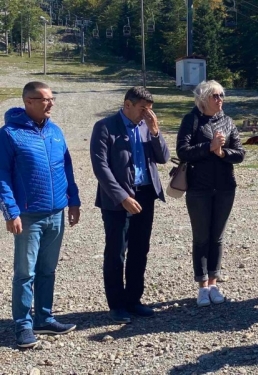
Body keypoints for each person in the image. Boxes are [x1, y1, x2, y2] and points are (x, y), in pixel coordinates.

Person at [0, 81, 81, 348]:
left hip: (56, 211)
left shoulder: (55, 131)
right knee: (25, 273)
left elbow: (66, 167)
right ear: (28, 102)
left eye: (52, 99)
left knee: (47, 269)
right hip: (28, 215)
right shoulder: (9, 134)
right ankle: (22, 325)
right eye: (45, 99)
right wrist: (11, 212)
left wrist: (74, 200)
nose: (51, 103)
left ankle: (43, 318)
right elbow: (2, 176)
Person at [90, 86, 170, 324]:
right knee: (116, 252)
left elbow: (163, 158)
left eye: (150, 110)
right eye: (143, 109)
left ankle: (134, 300)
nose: (147, 114)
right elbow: (100, 167)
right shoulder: (105, 127)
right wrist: (121, 197)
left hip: (145, 195)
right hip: (117, 200)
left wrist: (155, 132)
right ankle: (116, 305)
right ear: (127, 105)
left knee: (139, 249)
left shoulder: (147, 126)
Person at [176, 80, 245, 307]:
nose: (220, 99)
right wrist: (209, 147)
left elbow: (240, 153)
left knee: (217, 237)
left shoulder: (227, 122)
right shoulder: (191, 120)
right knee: (201, 237)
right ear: (204, 99)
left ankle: (214, 283)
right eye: (215, 96)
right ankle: (202, 286)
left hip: (225, 187)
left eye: (222, 95)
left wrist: (222, 152)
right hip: (199, 189)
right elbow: (183, 151)